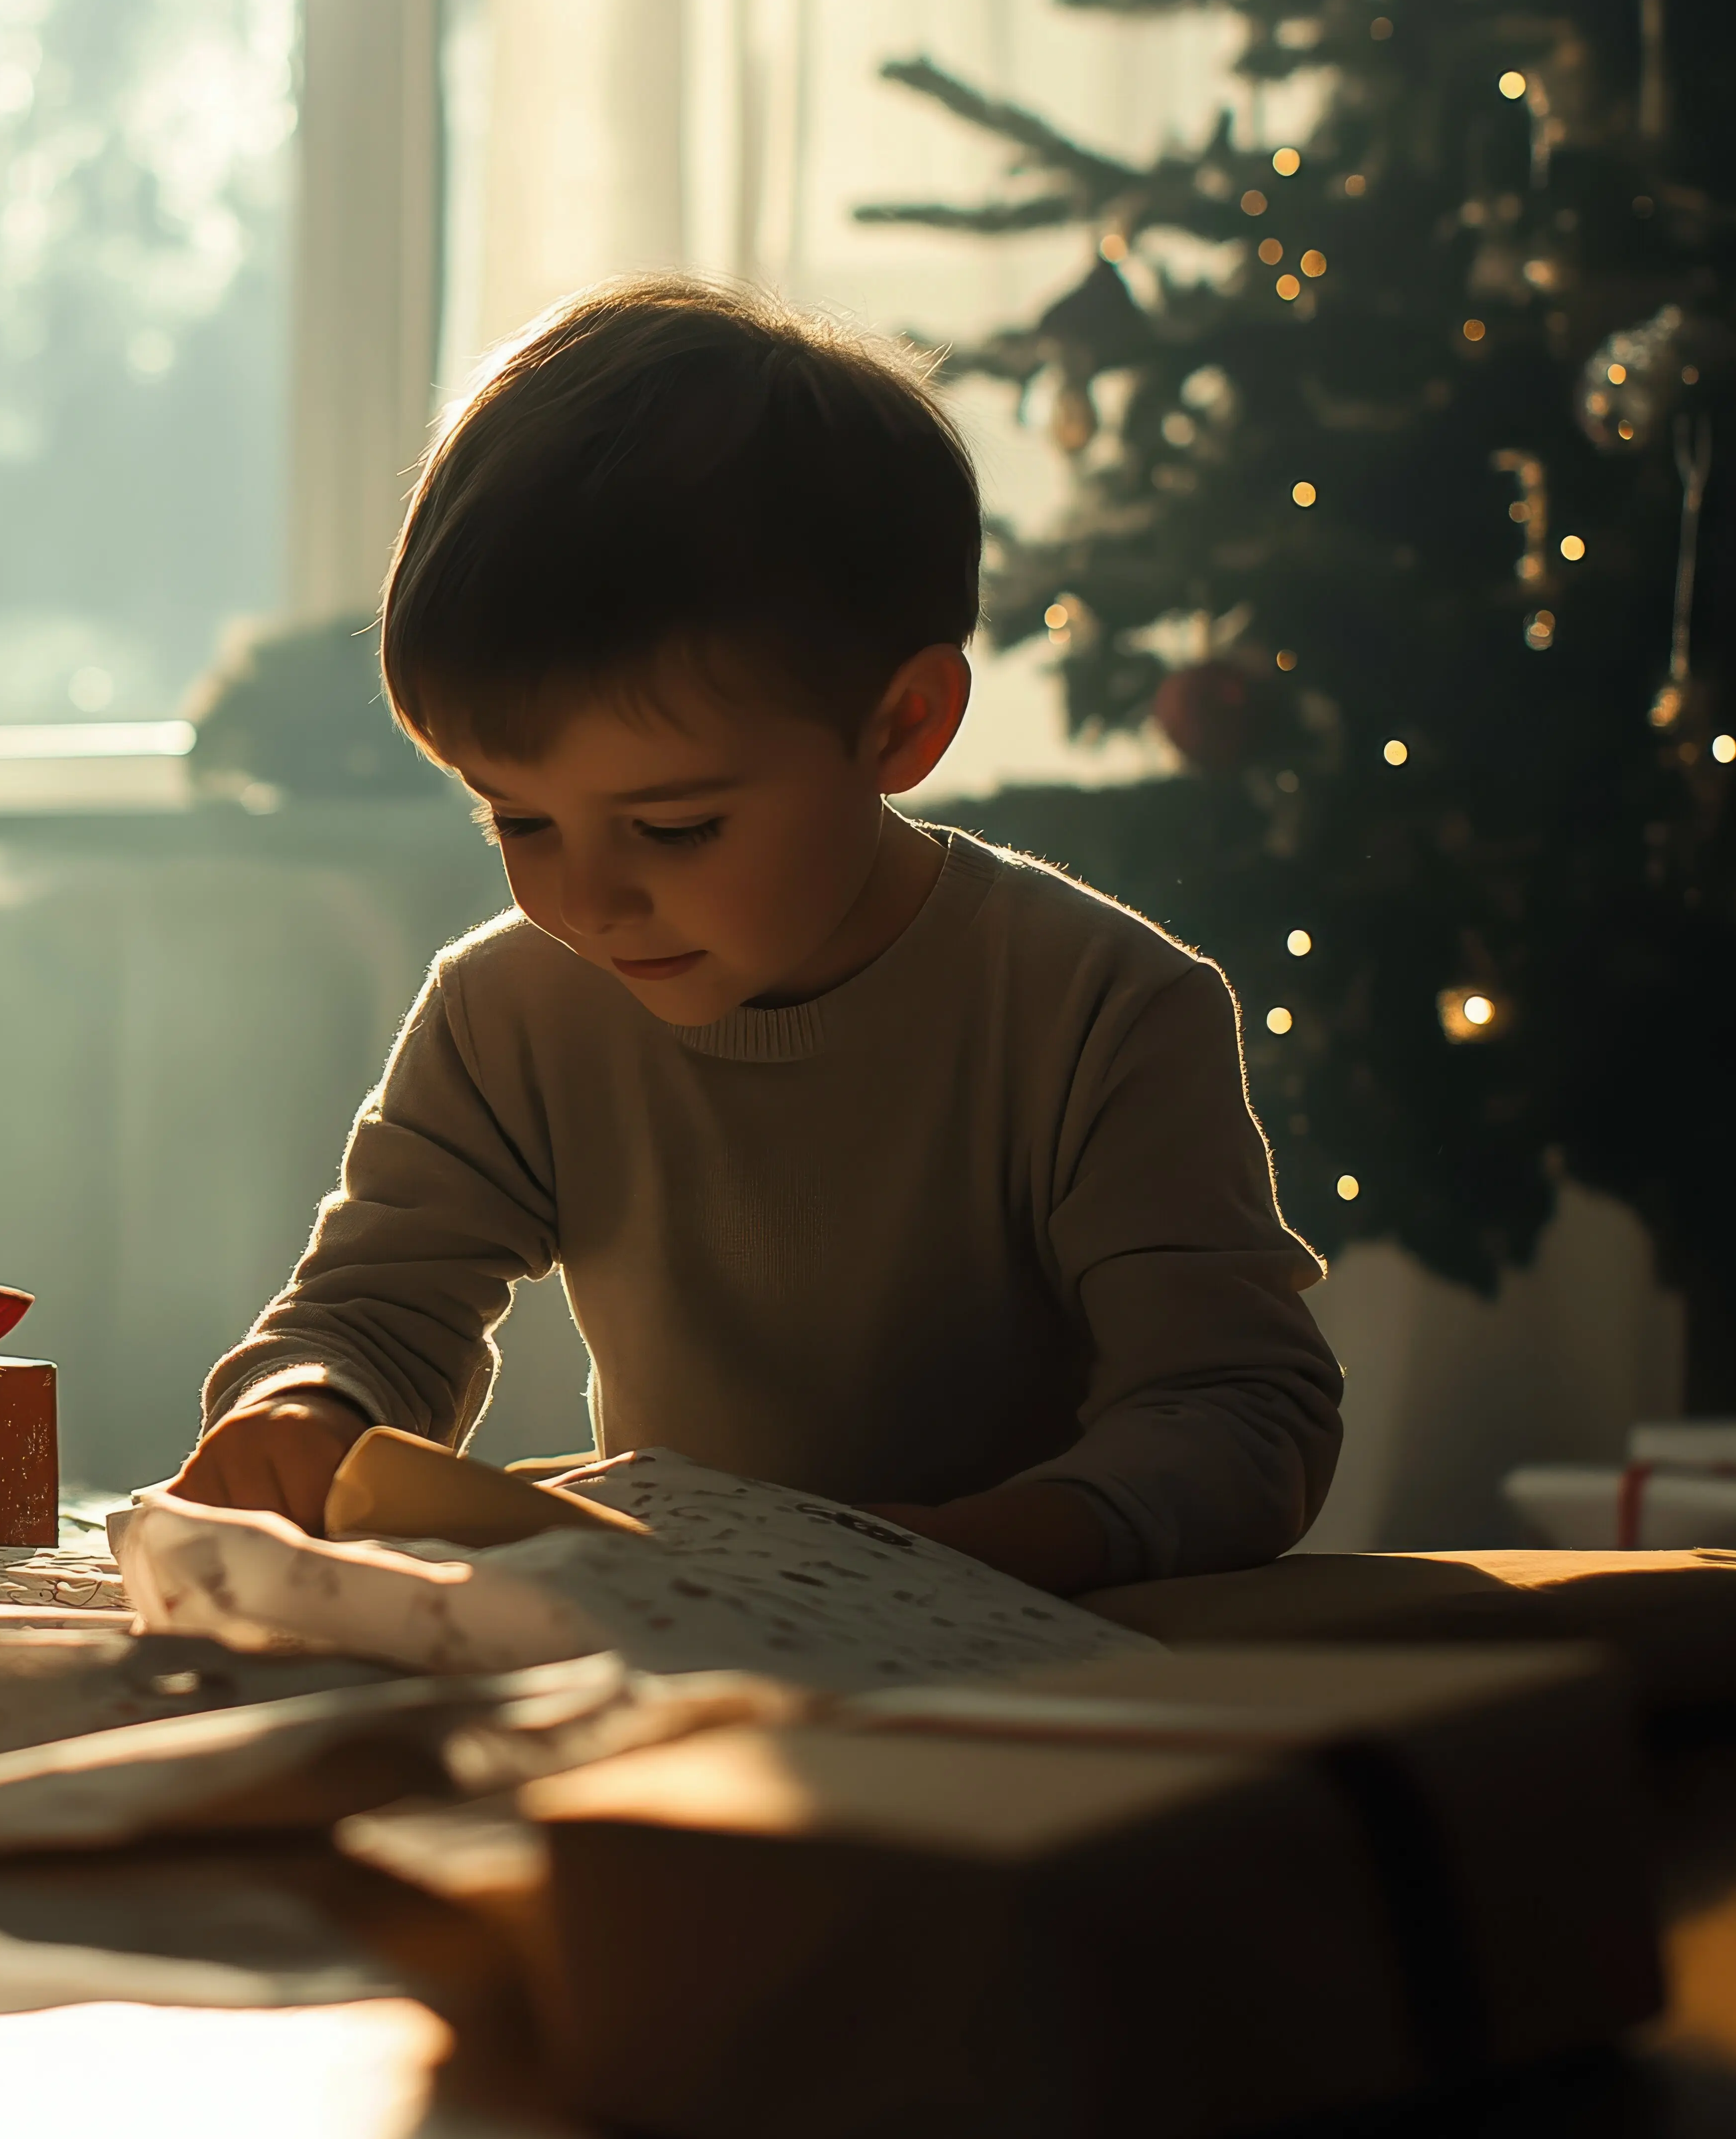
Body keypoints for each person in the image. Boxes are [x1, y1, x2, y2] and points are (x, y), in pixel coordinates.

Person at [168, 275, 1340, 1594]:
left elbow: (1241, 1413)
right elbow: (370, 1311)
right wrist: (302, 1409)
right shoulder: (509, 1013)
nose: (589, 904)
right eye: (520, 821)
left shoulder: (1100, 1011)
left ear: (902, 729)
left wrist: (958, 1558)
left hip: (1070, 1679)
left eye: (674, 830)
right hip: (697, 1672)